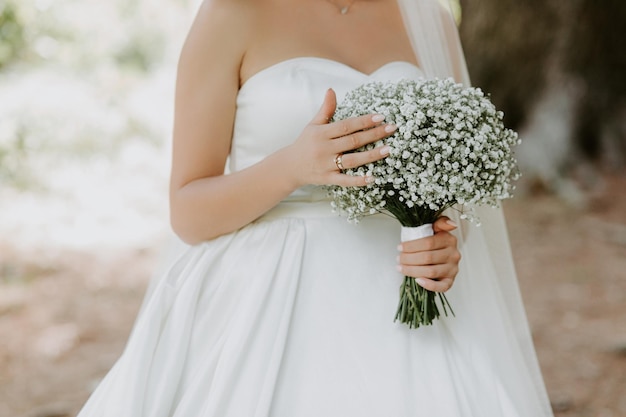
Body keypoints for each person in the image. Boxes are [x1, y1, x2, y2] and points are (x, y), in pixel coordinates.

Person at [78, 0, 554, 415]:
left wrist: (442, 243)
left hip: (398, 288)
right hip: (264, 294)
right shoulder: (232, 13)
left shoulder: (429, 20)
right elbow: (188, 209)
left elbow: (448, 185)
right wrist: (291, 166)